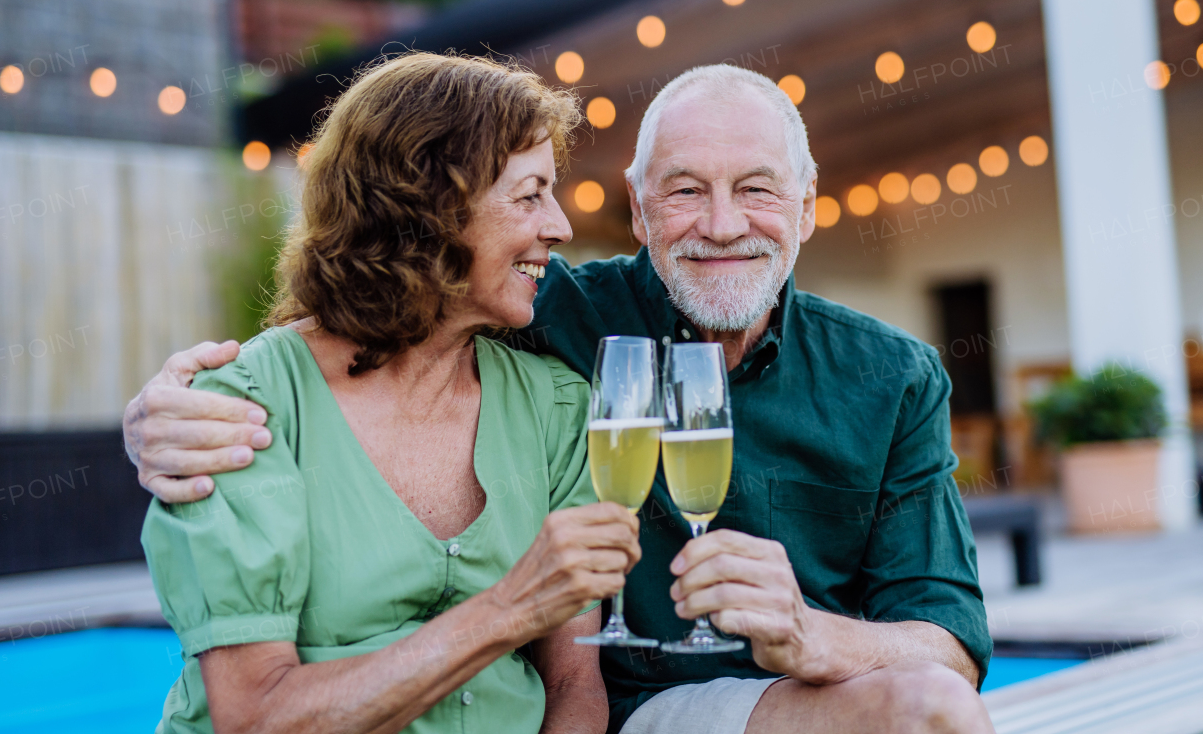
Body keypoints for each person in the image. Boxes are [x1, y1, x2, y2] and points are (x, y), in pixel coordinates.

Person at [127, 63, 996, 734]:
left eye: (758, 188)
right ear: (642, 207)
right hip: (651, 707)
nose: (724, 224)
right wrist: (160, 413)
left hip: (790, 696)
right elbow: (381, 317)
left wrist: (812, 632)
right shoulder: (556, 318)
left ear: (807, 207)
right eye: (687, 189)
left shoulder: (891, 377)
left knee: (932, 705)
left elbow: (951, 641)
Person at [137, 53, 645, 734]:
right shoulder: (243, 411)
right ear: (429, 207)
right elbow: (256, 715)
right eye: (529, 195)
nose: (559, 225)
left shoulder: (555, 405)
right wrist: (509, 608)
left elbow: (573, 682)